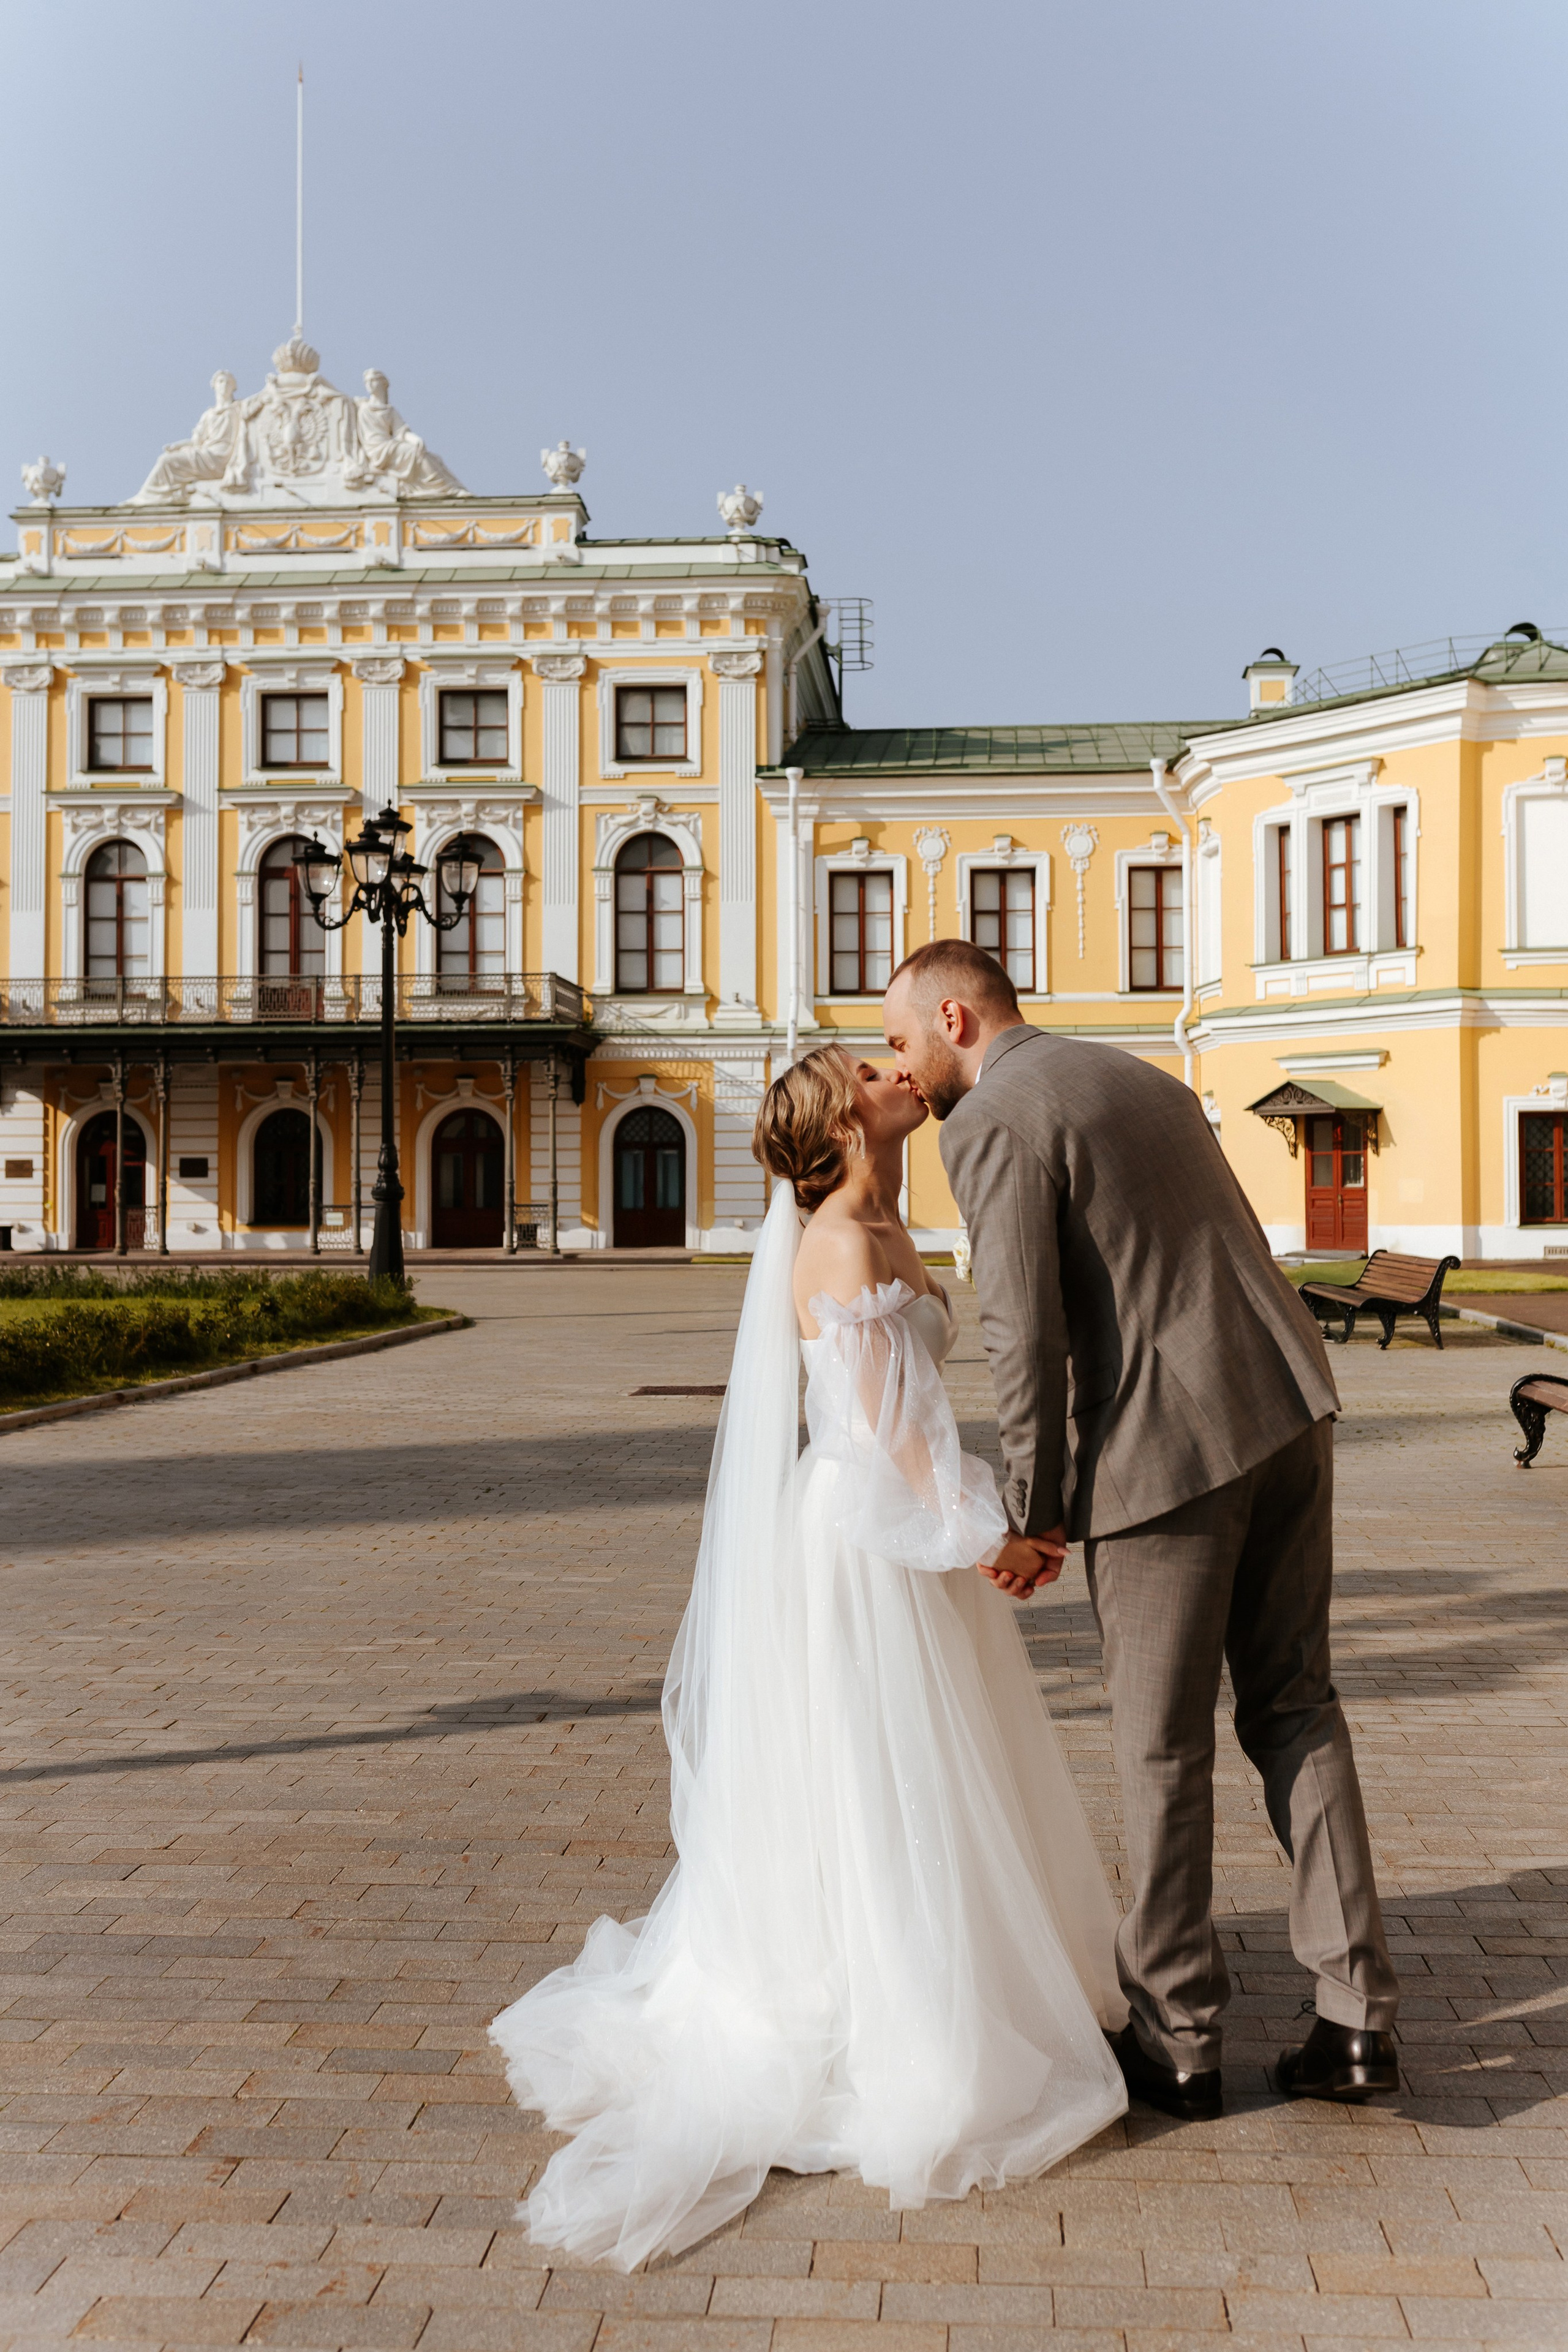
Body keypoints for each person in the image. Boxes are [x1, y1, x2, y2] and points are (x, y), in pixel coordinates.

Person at [490, 1044, 1129, 2269]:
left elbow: (916, 1422)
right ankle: (899, 2023)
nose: (898, 1073)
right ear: (841, 1119)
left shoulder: (878, 1214)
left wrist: (986, 1527)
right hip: (867, 1539)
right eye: (871, 1069)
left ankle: (946, 1976)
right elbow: (893, 1434)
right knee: (877, 1772)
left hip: (904, 1519)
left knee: (927, 1771)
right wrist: (991, 1537)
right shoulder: (837, 1239)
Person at [882, 938, 1400, 2120]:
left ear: (956, 1019)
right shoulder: (1140, 1077)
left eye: (904, 1043)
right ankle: (1358, 2022)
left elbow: (1027, 1334)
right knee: (1297, 1705)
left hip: (1166, 1459)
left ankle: (1179, 2040)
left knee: (1161, 1748)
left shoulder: (993, 1121)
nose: (904, 1074)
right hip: (1285, 1405)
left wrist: (1035, 1514)